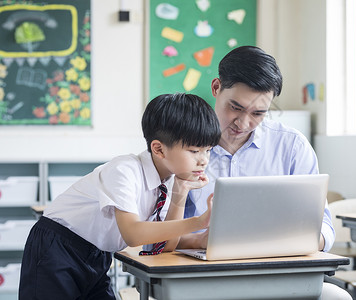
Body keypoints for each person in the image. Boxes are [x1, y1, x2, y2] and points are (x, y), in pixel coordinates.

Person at [178, 46, 352, 300]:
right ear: (216, 88)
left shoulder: (291, 145)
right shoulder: (182, 146)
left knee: (337, 298)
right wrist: (197, 240)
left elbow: (323, 226)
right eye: (235, 107)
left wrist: (294, 243)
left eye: (258, 113)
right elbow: (156, 233)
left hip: (277, 274)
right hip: (202, 276)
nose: (243, 123)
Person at [19, 93, 221, 300]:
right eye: (195, 151)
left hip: (97, 255)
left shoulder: (169, 179)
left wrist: (181, 192)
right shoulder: (124, 170)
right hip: (58, 246)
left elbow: (165, 245)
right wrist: (198, 221)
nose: (204, 160)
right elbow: (132, 234)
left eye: (208, 150)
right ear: (159, 149)